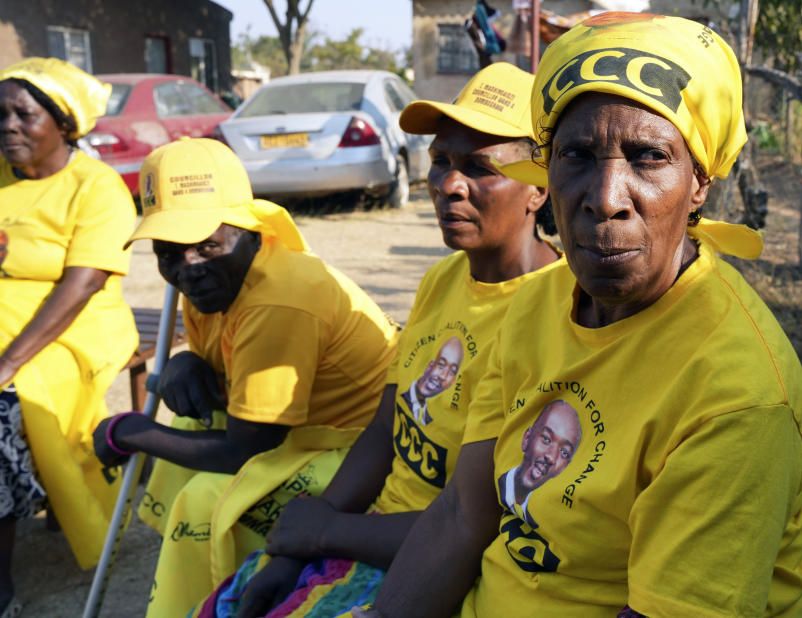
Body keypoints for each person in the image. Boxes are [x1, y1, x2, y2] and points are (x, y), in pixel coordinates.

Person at [360, 13, 802, 618]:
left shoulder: (738, 395)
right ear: (546, 174)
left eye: (648, 156)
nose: (605, 197)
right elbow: (464, 514)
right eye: (576, 153)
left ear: (699, 182)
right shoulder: (534, 306)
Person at [189, 62, 565, 618]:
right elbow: (389, 426)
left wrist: (326, 535)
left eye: (479, 167)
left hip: (433, 567)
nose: (448, 185)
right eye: (440, 161)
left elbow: (474, 523)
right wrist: (299, 547)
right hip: (368, 533)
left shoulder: (555, 316)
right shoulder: (443, 280)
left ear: (538, 190)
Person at [91, 137, 399, 617]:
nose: (188, 268)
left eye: (207, 244)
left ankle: (219, 598)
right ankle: (196, 585)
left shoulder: (277, 299)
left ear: (249, 230)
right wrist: (185, 361)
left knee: (200, 499)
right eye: (168, 252)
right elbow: (220, 357)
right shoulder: (220, 281)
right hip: (301, 431)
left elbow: (246, 448)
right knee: (189, 429)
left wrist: (130, 431)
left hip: (353, 448)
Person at [0, 57, 138, 617]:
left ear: (63, 122)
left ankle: (1, 587)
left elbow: (83, 284)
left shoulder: (96, 187)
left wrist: (6, 363)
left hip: (73, 329)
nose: (7, 125)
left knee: (3, 408)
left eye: (23, 114)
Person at [496, 399, 581, 528]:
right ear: (527, 438)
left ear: (564, 468)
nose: (551, 457)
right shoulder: (495, 486)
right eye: (546, 439)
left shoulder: (537, 520)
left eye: (564, 452)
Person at [402, 336, 464, 425]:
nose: (443, 376)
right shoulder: (399, 397)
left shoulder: (428, 419)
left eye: (452, 371)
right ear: (430, 366)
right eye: (441, 364)